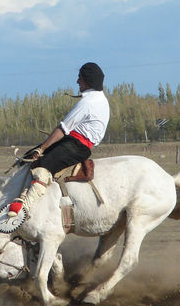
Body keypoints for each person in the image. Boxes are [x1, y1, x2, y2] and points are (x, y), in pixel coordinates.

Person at [8, 62, 110, 217]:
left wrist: (41, 148)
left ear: (88, 81)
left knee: (42, 167)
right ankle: (21, 195)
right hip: (74, 142)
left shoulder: (88, 103)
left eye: (80, 78)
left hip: (77, 146)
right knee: (28, 157)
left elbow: (63, 128)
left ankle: (26, 210)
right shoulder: (100, 99)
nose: (77, 82)